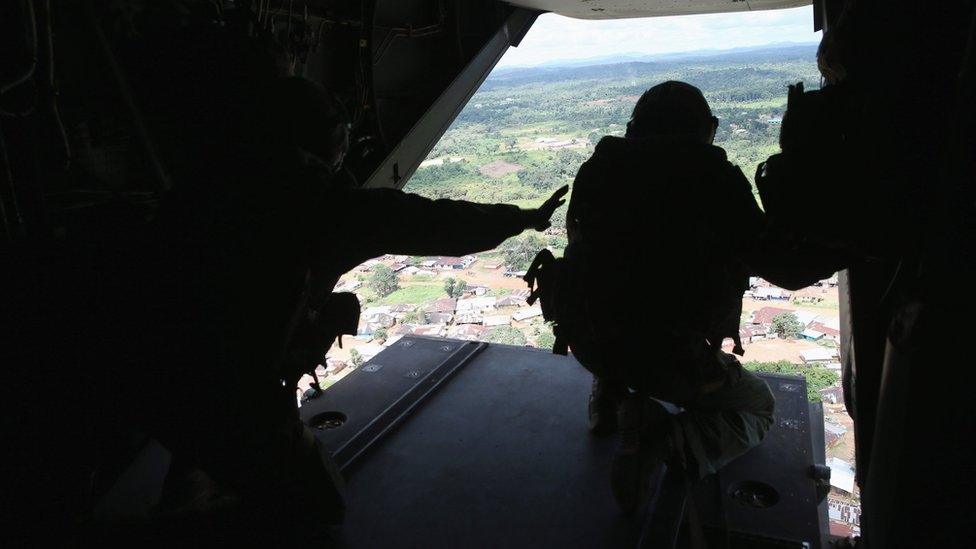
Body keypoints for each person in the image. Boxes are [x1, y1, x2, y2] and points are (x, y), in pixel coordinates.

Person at [144, 76, 567, 539]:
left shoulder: (199, 189)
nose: (345, 136)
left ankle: (198, 469)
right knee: (320, 506)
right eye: (335, 126)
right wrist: (522, 218)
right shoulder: (320, 205)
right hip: (229, 383)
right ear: (317, 139)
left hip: (152, 374)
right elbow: (437, 222)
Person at [560, 81, 779, 513]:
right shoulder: (715, 179)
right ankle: (665, 441)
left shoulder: (597, 171)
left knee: (616, 305)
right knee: (759, 406)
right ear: (709, 130)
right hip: (670, 358)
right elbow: (778, 263)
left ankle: (610, 396)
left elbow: (584, 261)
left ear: (632, 128)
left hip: (591, 345)